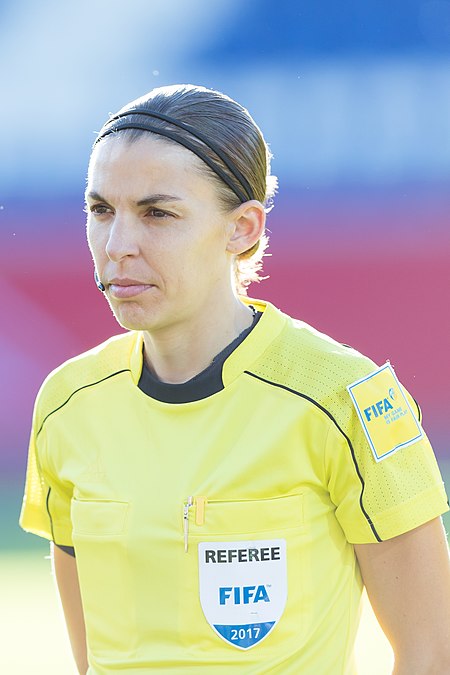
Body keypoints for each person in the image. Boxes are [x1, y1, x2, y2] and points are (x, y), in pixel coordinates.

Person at [20, 84, 450, 675]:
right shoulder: (67, 404)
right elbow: (94, 662)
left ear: (243, 229)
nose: (118, 245)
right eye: (101, 211)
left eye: (158, 214)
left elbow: (432, 652)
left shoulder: (345, 399)